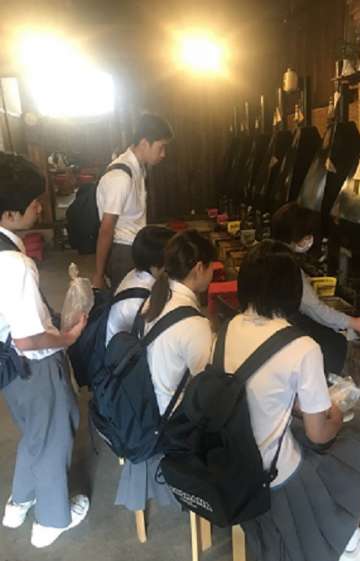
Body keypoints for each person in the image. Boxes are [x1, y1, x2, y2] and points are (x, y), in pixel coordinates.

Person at [225, 240, 360, 561]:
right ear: (292, 290)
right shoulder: (302, 347)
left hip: (230, 458)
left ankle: (335, 529)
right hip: (271, 474)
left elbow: (256, 390)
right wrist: (336, 414)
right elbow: (318, 434)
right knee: (356, 448)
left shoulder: (228, 328)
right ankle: (341, 538)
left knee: (307, 443)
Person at [0, 152, 89, 548]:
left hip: (7, 365)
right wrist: (68, 338)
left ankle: (19, 502)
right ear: (9, 213)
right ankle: (51, 520)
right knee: (55, 435)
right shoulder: (15, 263)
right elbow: (29, 338)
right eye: (33, 201)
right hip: (31, 364)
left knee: (36, 431)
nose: (40, 206)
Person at [115, 229, 215, 513]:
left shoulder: (156, 297)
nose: (213, 275)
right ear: (199, 268)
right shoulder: (194, 324)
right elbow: (207, 387)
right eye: (212, 268)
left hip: (143, 406)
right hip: (168, 424)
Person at [271, 202, 360, 374]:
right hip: (283, 333)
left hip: (272, 328)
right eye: (308, 235)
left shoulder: (269, 255)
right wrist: (355, 323)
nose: (310, 239)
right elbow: (316, 309)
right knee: (335, 344)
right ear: (296, 236)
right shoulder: (288, 267)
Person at [93, 113, 174, 292]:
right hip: (123, 252)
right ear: (144, 143)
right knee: (129, 299)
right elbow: (106, 229)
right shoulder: (120, 177)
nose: (163, 154)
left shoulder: (138, 168)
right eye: (161, 147)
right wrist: (98, 275)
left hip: (135, 246)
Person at [106, 225, 174, 345]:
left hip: (120, 345)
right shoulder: (144, 299)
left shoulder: (135, 273)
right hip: (121, 354)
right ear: (155, 266)